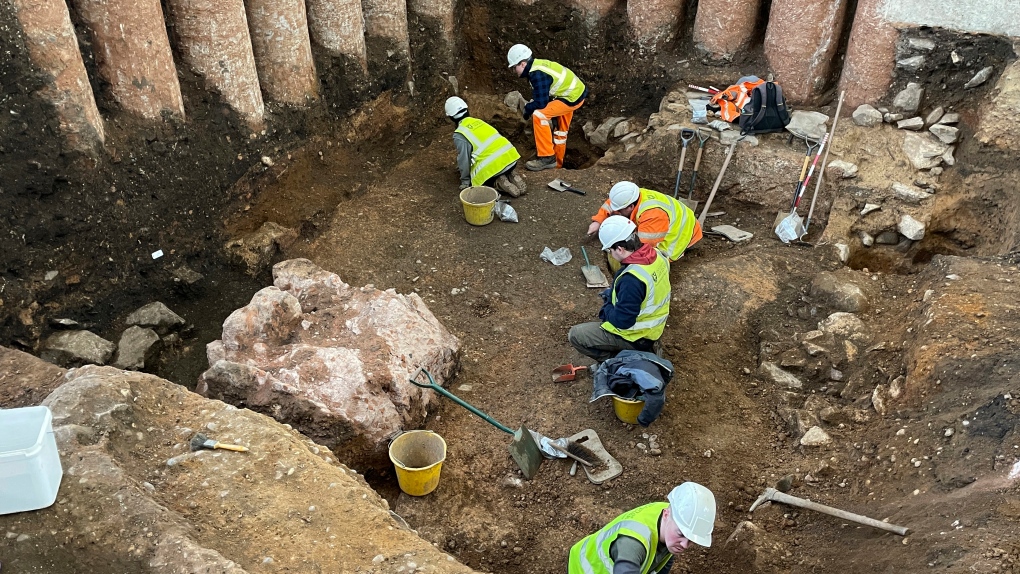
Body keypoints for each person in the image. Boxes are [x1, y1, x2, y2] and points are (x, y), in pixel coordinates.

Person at [568, 216, 670, 362]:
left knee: (576, 335)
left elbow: (623, 321)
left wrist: (608, 307)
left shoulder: (632, 279)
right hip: (653, 329)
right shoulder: (657, 255)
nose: (610, 254)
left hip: (636, 336)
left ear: (620, 249)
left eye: (610, 251)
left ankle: (619, 361)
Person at [568, 482, 716, 574]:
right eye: (681, 534)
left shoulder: (674, 519)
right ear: (666, 514)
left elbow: (665, 559)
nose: (684, 545)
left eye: (691, 540)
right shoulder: (632, 544)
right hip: (583, 569)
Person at [506, 44, 588, 172]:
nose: (513, 71)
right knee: (560, 132)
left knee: (539, 115)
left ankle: (547, 157)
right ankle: (557, 167)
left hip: (570, 98)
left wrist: (528, 109)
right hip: (574, 93)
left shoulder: (536, 74)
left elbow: (541, 103)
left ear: (522, 64)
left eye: (514, 67)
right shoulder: (537, 65)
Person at [587, 181, 702, 272]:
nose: (616, 211)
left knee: (654, 258)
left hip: (684, 233)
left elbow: (642, 246)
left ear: (630, 207)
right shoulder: (631, 195)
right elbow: (611, 204)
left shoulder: (653, 216)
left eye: (619, 210)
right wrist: (598, 221)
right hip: (675, 219)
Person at [445, 96, 527, 197]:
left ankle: (499, 182)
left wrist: (465, 182)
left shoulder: (460, 134)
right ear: (466, 109)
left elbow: (464, 160)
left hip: (493, 168)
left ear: (451, 117)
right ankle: (512, 174)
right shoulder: (479, 121)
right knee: (503, 167)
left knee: (482, 178)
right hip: (510, 158)